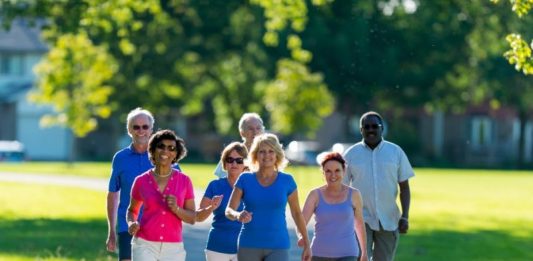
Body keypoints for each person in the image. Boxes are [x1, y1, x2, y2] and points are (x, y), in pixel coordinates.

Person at [225, 133, 311, 261]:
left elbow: (297, 214)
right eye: (262, 151)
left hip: (278, 246)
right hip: (248, 245)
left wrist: (307, 244)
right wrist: (238, 215)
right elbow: (228, 210)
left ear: (277, 155)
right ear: (255, 154)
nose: (267, 155)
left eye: (271, 151)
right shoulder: (245, 179)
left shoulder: (287, 180)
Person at [343, 111, 414, 261]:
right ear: (361, 130)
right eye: (366, 127)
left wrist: (405, 217)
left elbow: (405, 188)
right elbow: (342, 190)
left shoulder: (396, 152)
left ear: (382, 128)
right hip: (360, 218)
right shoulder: (350, 154)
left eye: (375, 126)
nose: (370, 130)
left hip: (389, 219)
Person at [126, 129, 196, 261]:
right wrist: (131, 222)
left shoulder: (185, 181)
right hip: (144, 244)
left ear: (176, 154)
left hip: (174, 248)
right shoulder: (141, 181)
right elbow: (132, 210)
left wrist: (176, 209)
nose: (166, 151)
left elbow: (192, 218)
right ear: (152, 150)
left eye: (171, 148)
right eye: (161, 146)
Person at [106, 107, 155, 261]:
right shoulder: (120, 158)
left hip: (155, 225)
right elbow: (112, 195)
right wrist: (111, 232)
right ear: (129, 130)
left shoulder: (163, 156)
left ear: (151, 129)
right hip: (127, 225)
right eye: (136, 127)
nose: (141, 131)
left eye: (145, 127)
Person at [300, 152, 367, 261]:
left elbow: (359, 224)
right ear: (323, 173)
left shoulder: (354, 194)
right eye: (328, 171)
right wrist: (303, 238)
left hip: (348, 254)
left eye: (337, 170)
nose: (333, 175)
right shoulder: (314, 195)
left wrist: (364, 252)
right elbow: (301, 222)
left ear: (344, 171)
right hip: (318, 253)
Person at [196, 142, 248, 261]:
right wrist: (211, 207)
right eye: (230, 160)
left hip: (245, 249)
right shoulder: (215, 186)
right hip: (217, 248)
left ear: (245, 164)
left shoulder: (253, 187)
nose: (234, 163)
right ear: (224, 164)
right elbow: (198, 217)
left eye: (239, 160)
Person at [214, 112, 265, 178]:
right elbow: (221, 179)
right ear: (242, 133)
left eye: (258, 128)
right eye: (250, 129)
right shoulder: (232, 151)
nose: (255, 132)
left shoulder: (268, 153)